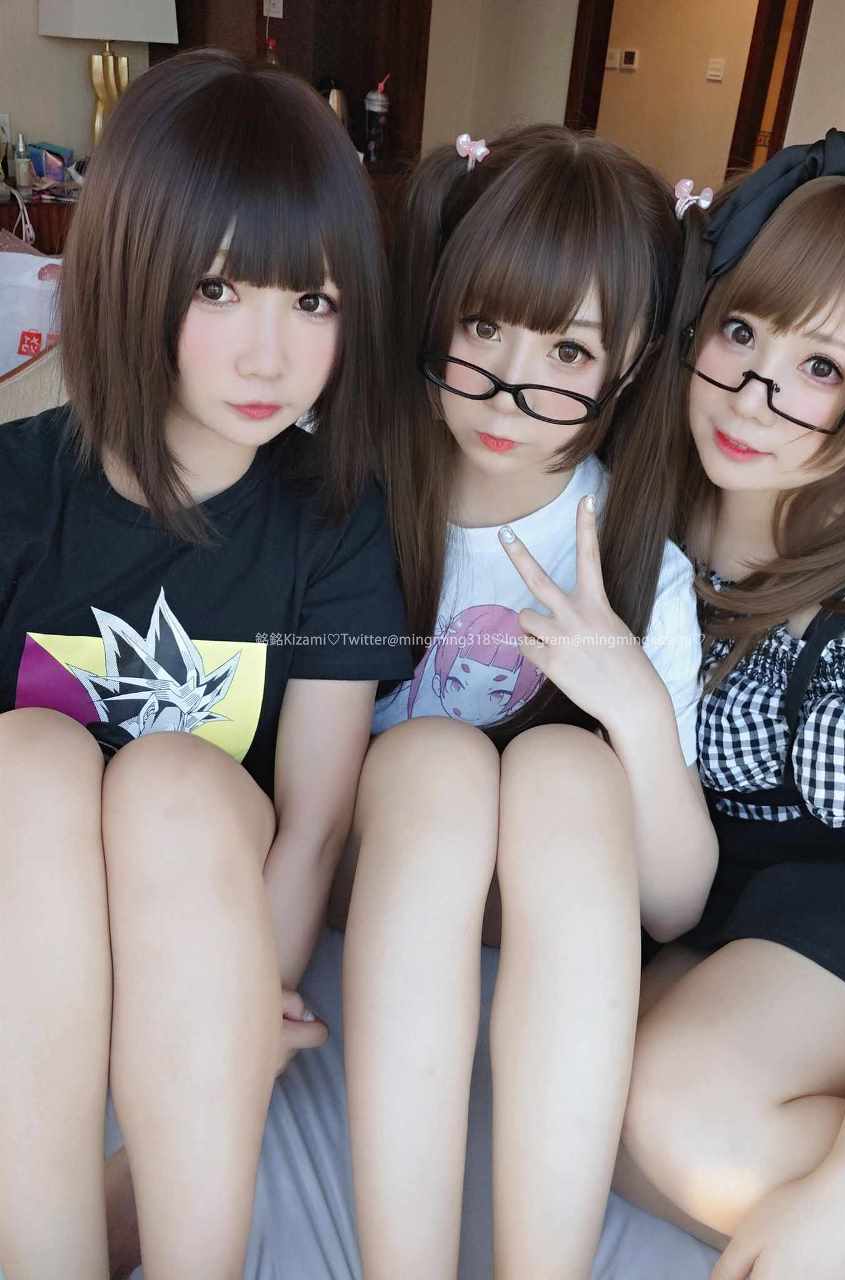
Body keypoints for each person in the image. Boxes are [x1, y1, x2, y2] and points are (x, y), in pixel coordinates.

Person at [0, 49, 409, 1280]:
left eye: (314, 301)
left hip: (207, 914)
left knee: (173, 780)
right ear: (132, 270)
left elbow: (315, 826)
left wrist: (244, 1007)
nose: (271, 358)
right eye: (221, 289)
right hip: (35, 914)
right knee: (29, 754)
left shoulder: (336, 517)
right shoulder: (16, 490)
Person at [341, 125, 718, 1279]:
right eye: (484, 326)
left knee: (565, 766)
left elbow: (675, 904)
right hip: (383, 862)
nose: (510, 385)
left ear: (631, 359)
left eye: (567, 348)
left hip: (552, 890)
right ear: (438, 310)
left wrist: (634, 707)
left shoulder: (635, 556)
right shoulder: (354, 491)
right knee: (438, 760)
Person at [612, 130, 845, 1280]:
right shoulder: (640, 510)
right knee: (583, 1097)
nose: (753, 397)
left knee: (685, 1116)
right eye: (742, 332)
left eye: (819, 366)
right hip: (704, 899)